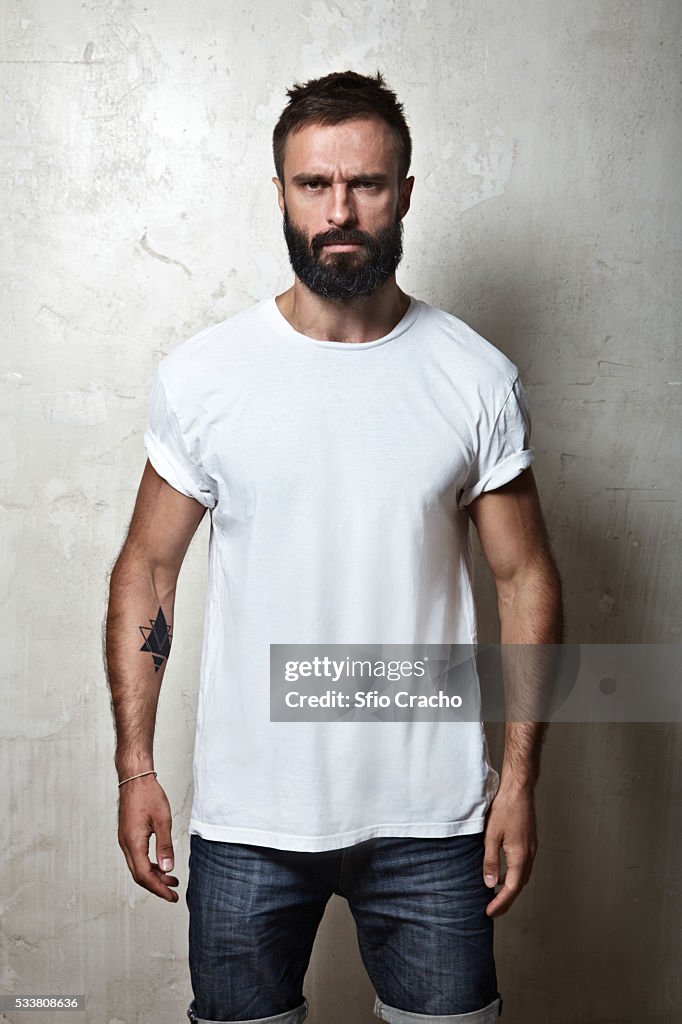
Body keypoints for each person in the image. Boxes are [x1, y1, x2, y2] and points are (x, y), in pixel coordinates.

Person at [105, 70, 563, 1024]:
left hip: (433, 823)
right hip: (248, 821)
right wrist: (136, 768)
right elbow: (149, 567)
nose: (340, 209)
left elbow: (523, 578)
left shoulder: (475, 377)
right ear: (280, 193)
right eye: (314, 184)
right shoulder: (205, 376)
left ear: (405, 192)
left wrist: (517, 782)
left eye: (367, 184)